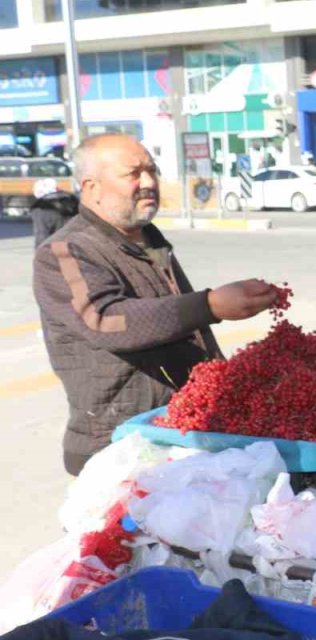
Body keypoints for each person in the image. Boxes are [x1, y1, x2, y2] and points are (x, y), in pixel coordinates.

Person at [32, 135, 279, 476]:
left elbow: (190, 334)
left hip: (177, 431)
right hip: (117, 447)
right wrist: (209, 305)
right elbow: (106, 320)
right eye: (133, 174)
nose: (148, 182)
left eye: (152, 171)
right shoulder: (64, 251)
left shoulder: (151, 242)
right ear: (92, 187)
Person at [30, 177, 79, 247]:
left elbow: (41, 235)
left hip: (54, 251)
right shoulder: (73, 203)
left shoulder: (40, 209)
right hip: (77, 248)